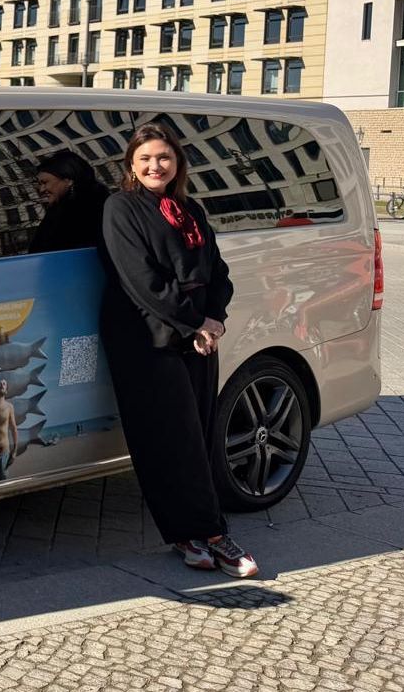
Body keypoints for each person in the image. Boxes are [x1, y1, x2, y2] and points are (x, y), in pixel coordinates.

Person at [97, 122, 256, 579]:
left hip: (197, 335)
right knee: (170, 440)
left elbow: (217, 271)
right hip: (147, 337)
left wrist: (215, 318)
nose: (155, 165)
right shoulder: (120, 208)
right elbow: (141, 280)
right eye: (145, 158)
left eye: (164, 157)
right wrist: (194, 321)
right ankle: (211, 533)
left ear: (178, 164)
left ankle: (190, 535)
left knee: (201, 433)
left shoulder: (189, 209)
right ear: (131, 163)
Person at [29, 150, 110, 254]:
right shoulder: (103, 204)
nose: (41, 189)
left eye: (45, 182)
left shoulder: (77, 213)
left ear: (68, 180)